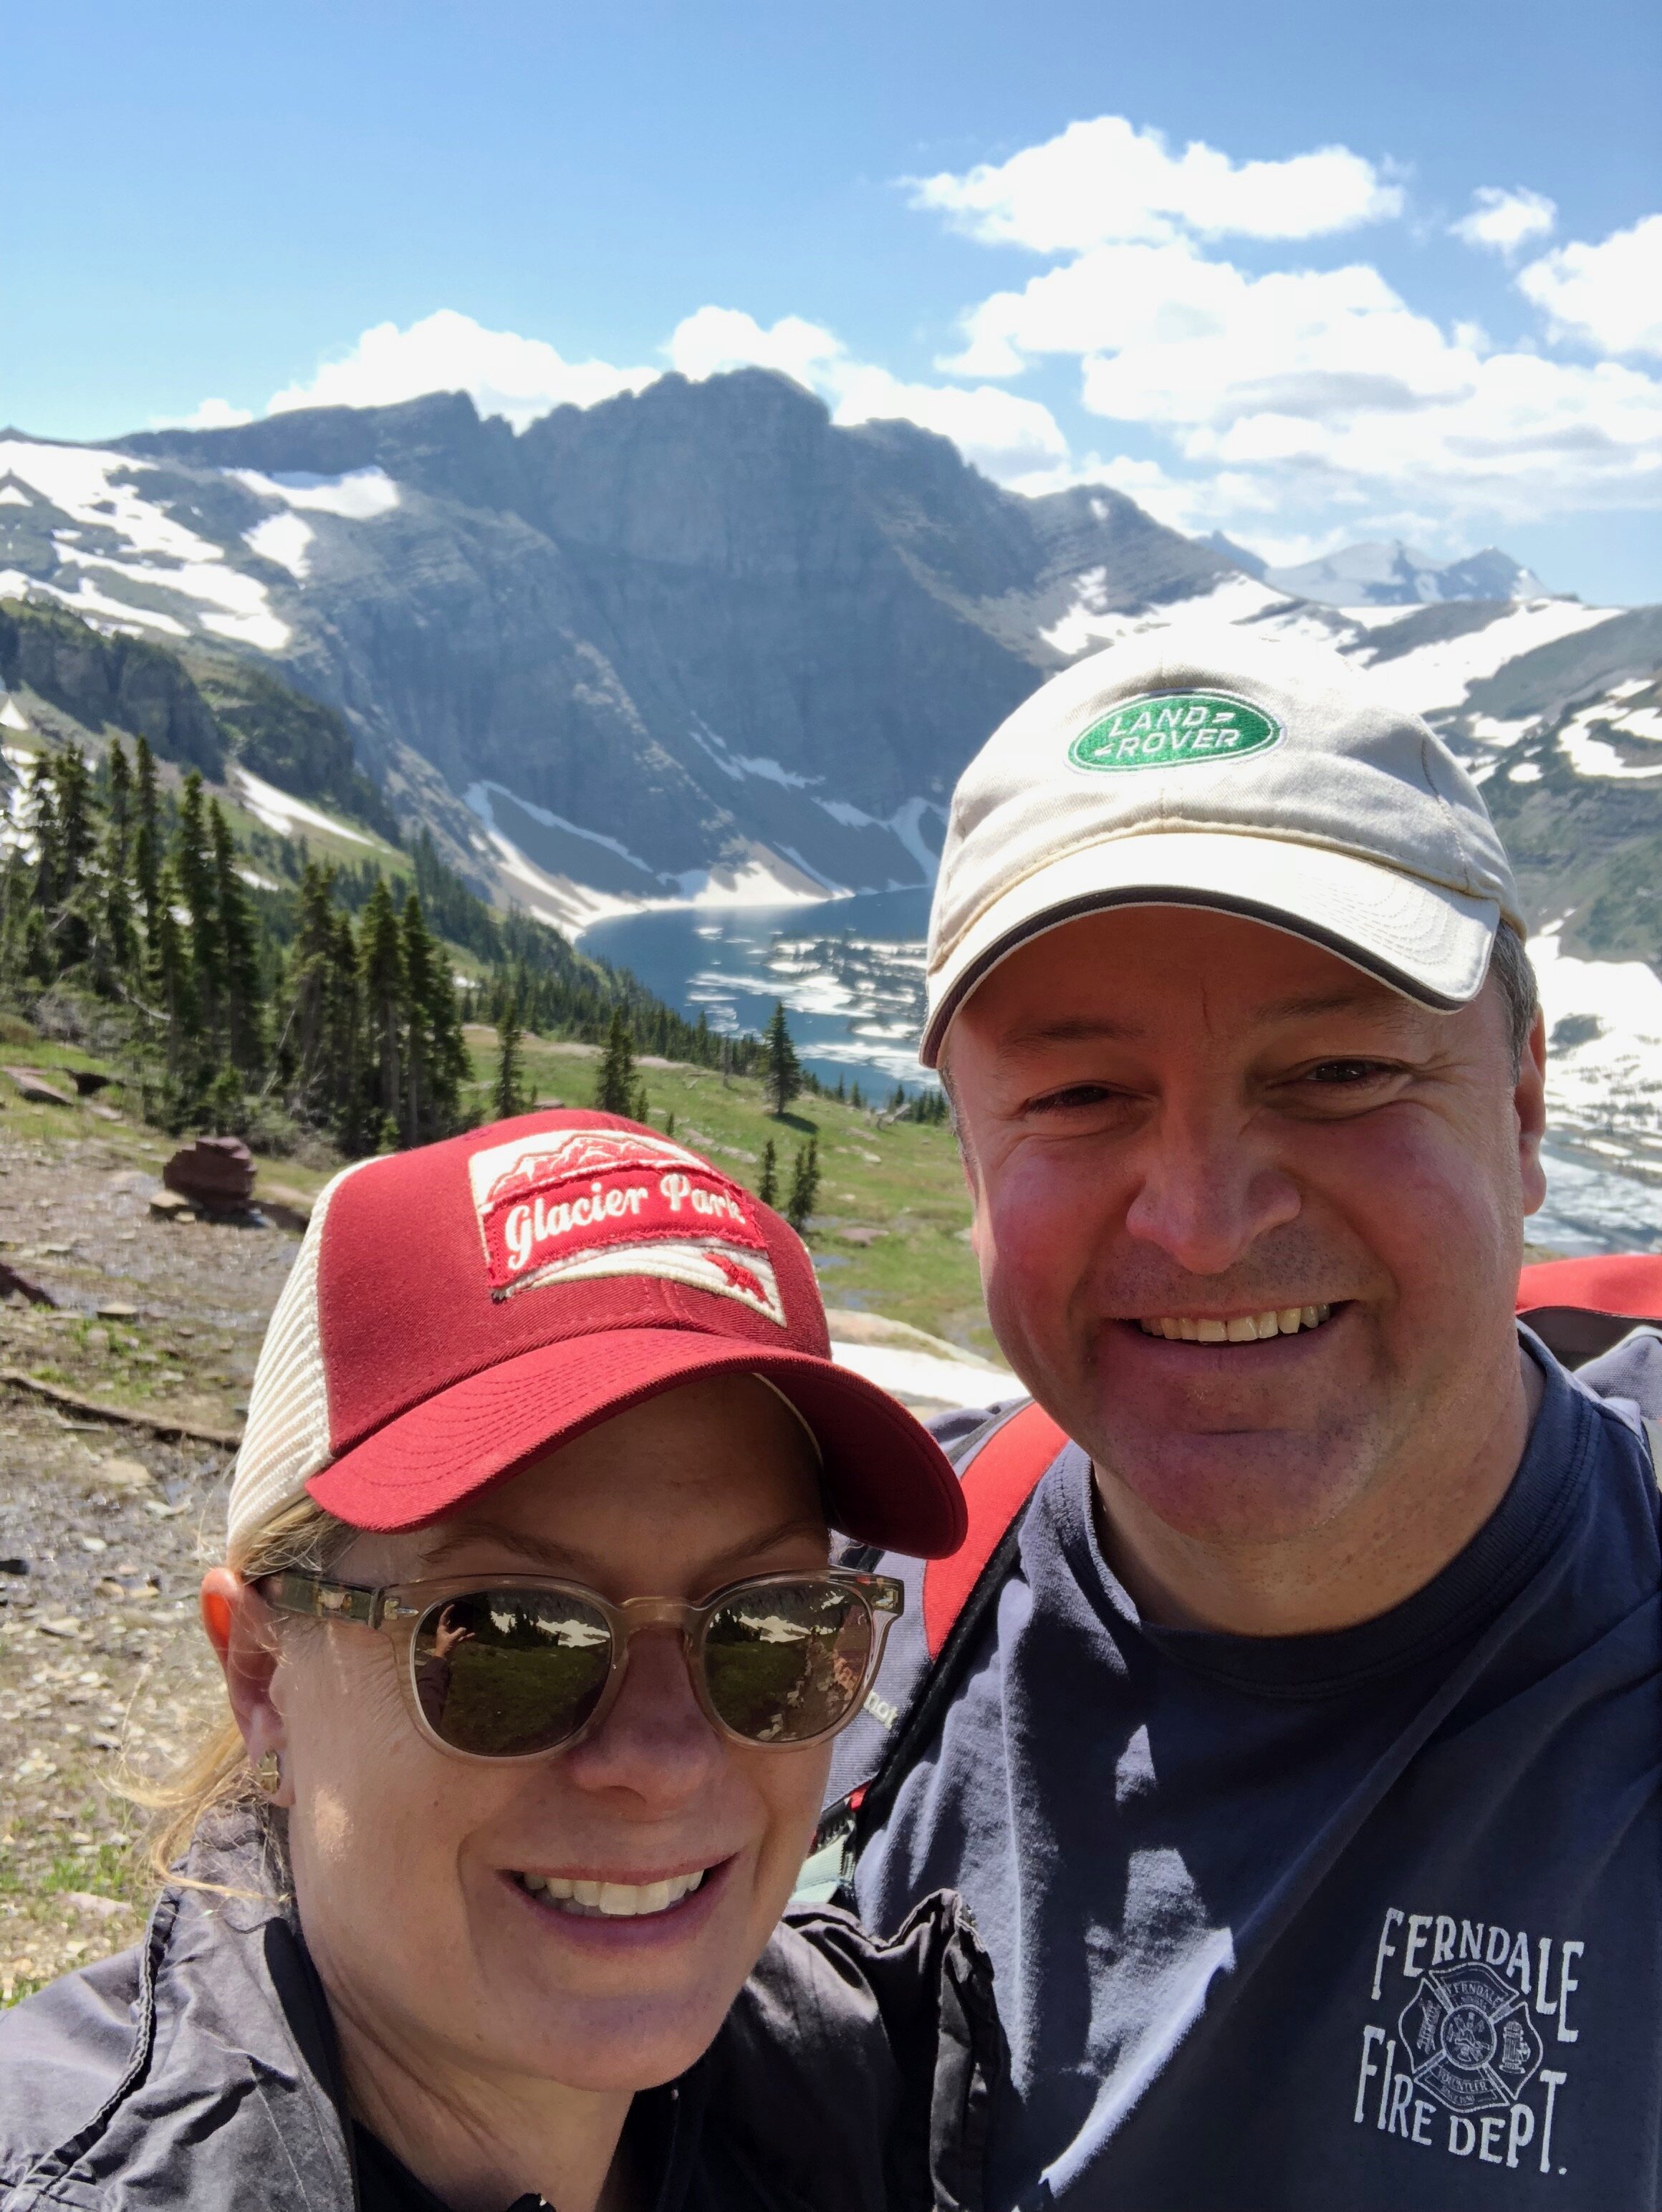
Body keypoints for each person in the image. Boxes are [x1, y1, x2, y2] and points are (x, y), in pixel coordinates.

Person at [825, 630, 1662, 2208]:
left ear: (1521, 1104)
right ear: (966, 1155)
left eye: (1340, 1069)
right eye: (1077, 1098)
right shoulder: (813, 1640)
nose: (1203, 1222)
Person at [0, 1112, 1002, 2212]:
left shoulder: (857, 2077)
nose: (662, 1759)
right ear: (261, 1669)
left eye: (772, 1630)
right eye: (512, 1632)